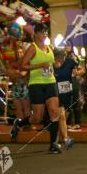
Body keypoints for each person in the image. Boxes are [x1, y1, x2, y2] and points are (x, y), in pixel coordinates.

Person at [18, 22, 62, 153]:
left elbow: (51, 64)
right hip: (36, 83)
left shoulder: (49, 47)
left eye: (46, 32)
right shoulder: (32, 48)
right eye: (43, 32)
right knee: (37, 118)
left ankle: (54, 144)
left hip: (50, 82)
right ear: (36, 34)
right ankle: (20, 123)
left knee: (54, 111)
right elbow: (22, 66)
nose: (45, 34)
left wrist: (56, 65)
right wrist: (39, 66)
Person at [53, 48, 77, 148]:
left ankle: (57, 140)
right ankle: (62, 140)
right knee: (60, 116)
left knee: (64, 117)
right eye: (59, 56)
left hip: (67, 92)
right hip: (56, 92)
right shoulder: (51, 64)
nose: (62, 58)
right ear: (55, 56)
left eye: (63, 56)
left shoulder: (70, 62)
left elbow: (79, 69)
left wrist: (76, 72)